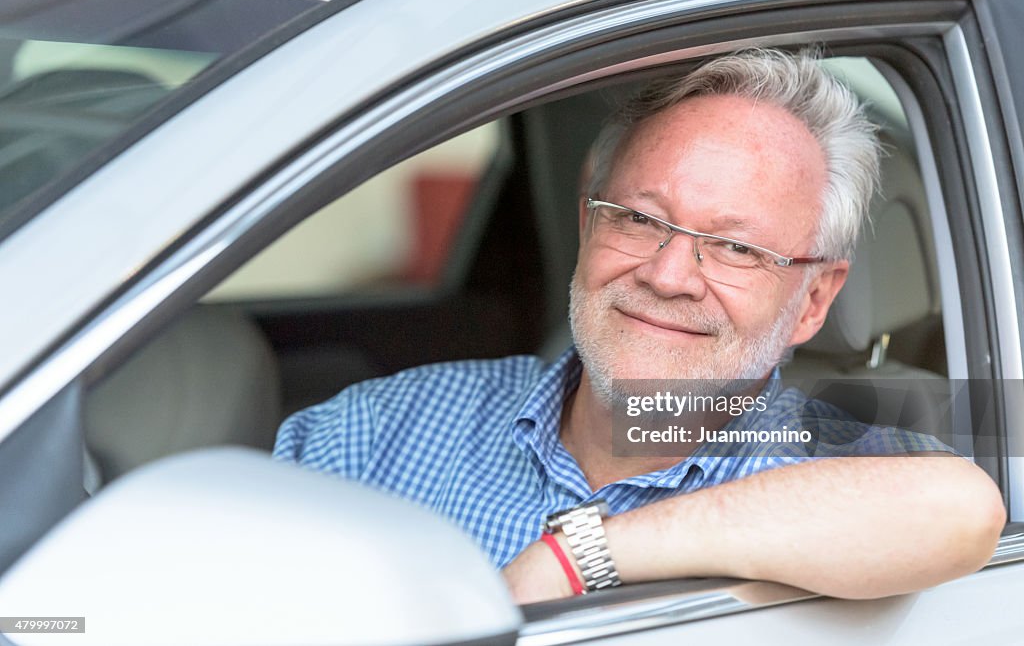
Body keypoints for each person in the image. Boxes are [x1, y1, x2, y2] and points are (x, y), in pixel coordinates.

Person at [273, 48, 1005, 604]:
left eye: (735, 247)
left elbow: (964, 506)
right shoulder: (374, 432)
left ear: (812, 302)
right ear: (588, 223)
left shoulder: (832, 462)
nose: (667, 274)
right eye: (638, 218)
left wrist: (581, 555)